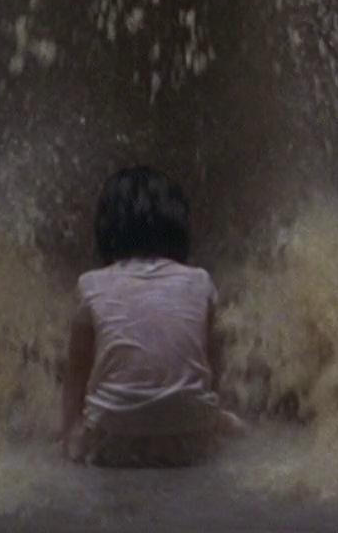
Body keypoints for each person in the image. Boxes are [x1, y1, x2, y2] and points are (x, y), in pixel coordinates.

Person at [59, 165, 244, 467]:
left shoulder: (90, 284)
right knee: (228, 425)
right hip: (189, 440)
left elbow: (76, 374)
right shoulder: (199, 281)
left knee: (82, 430)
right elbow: (212, 368)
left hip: (111, 443)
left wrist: (69, 436)